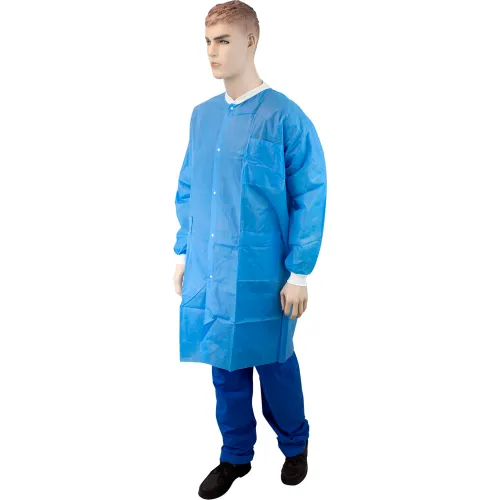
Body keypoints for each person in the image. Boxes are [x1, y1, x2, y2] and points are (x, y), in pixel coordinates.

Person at [172, 1, 327, 498]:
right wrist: (184, 252)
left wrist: (299, 273)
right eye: (207, 41)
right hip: (212, 270)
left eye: (223, 40)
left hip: (265, 273)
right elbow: (191, 187)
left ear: (250, 41)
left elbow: (310, 194)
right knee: (225, 365)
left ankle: (295, 444)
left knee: (275, 364)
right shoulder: (203, 117)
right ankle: (235, 455)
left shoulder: (284, 117)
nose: (212, 52)